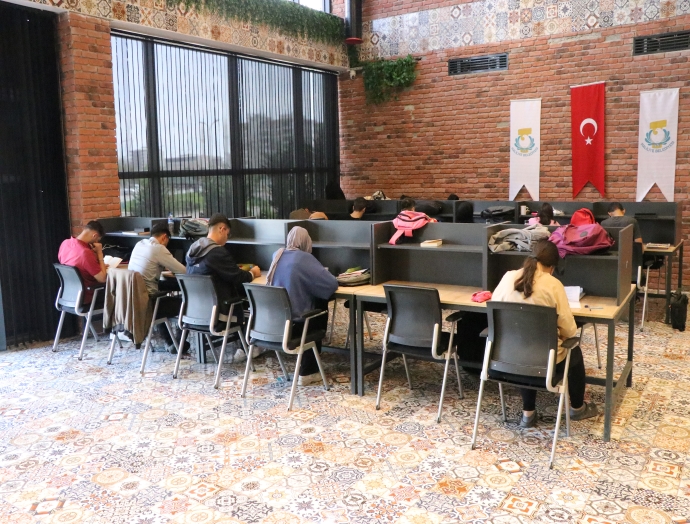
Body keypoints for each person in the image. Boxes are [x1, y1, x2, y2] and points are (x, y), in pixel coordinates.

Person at [491, 239, 598, 427]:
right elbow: (570, 330)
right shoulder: (553, 284)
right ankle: (578, 408)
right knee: (573, 350)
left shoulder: (507, 277)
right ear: (552, 267)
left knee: (525, 344)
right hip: (544, 362)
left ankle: (528, 414)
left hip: (505, 360)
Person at [266, 227, 338, 386]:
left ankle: (309, 363)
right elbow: (331, 284)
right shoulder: (304, 258)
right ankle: (308, 370)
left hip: (273, 324)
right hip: (296, 326)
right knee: (320, 305)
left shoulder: (277, 255)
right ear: (305, 241)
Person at [186, 214, 261, 361]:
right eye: (227, 234)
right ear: (222, 229)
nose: (227, 238)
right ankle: (249, 346)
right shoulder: (217, 252)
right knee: (249, 302)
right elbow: (238, 277)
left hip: (194, 314)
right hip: (218, 314)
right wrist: (253, 273)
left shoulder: (193, 250)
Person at [128, 223, 187, 353]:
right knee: (187, 302)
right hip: (149, 303)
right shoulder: (159, 248)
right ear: (164, 237)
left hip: (135, 301)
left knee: (163, 291)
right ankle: (179, 343)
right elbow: (183, 271)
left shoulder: (139, 244)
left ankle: (169, 342)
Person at [58, 221, 108, 305]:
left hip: (68, 295)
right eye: (97, 239)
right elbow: (103, 279)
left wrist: (95, 265)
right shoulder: (85, 252)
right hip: (87, 296)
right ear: (95, 235)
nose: (97, 242)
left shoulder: (65, 243)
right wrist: (99, 253)